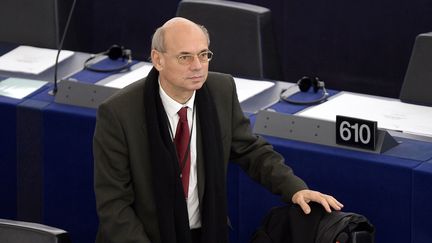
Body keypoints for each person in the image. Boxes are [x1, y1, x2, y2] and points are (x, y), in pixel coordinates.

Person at [93, 17, 343, 243]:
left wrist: (295, 188)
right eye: (185, 57)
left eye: (204, 55)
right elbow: (114, 206)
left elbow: (251, 150)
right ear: (158, 59)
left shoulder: (220, 90)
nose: (198, 66)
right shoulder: (119, 113)